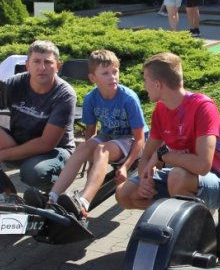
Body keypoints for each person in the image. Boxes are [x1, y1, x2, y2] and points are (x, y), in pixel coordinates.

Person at [115, 52, 220, 211]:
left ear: (158, 84)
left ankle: (193, 229)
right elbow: (148, 155)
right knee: (124, 194)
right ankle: (177, 215)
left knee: (177, 177)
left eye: (145, 81)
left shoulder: (203, 107)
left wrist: (163, 155)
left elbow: (203, 165)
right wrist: (145, 179)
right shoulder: (160, 109)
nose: (144, 86)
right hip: (179, 176)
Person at [0, 40, 76, 193]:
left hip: (53, 150)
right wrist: (0, 135)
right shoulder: (16, 82)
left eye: (48, 62)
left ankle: (53, 197)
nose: (42, 68)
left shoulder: (64, 95)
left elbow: (46, 143)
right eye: (36, 61)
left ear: (58, 66)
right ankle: (4, 190)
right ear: (27, 65)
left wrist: (0, 155)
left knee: (34, 173)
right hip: (17, 142)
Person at [46, 50, 147, 219]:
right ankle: (52, 197)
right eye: (105, 73)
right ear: (93, 78)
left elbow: (140, 138)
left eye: (115, 72)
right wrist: (90, 160)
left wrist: (125, 166)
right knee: (82, 149)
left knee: (102, 149)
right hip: (109, 136)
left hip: (130, 140)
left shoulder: (128, 98)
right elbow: (90, 132)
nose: (112, 77)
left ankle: (84, 201)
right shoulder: (91, 98)